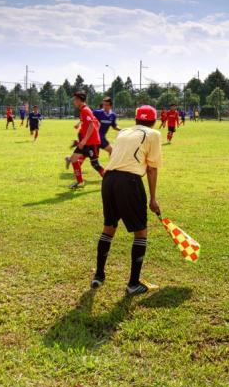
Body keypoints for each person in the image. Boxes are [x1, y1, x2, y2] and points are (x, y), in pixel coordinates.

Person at [91, 105, 162, 294]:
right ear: (154, 121)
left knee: (109, 227)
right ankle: (133, 284)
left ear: (136, 119)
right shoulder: (153, 134)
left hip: (109, 179)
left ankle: (98, 275)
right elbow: (152, 169)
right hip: (129, 182)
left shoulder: (123, 132)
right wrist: (153, 199)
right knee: (141, 232)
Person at [65, 92, 104, 189]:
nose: (74, 102)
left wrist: (84, 140)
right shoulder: (83, 110)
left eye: (75, 100)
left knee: (95, 164)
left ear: (79, 100)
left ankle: (109, 180)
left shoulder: (86, 110)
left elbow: (92, 125)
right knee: (73, 159)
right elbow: (97, 123)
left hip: (91, 143)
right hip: (86, 142)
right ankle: (80, 182)